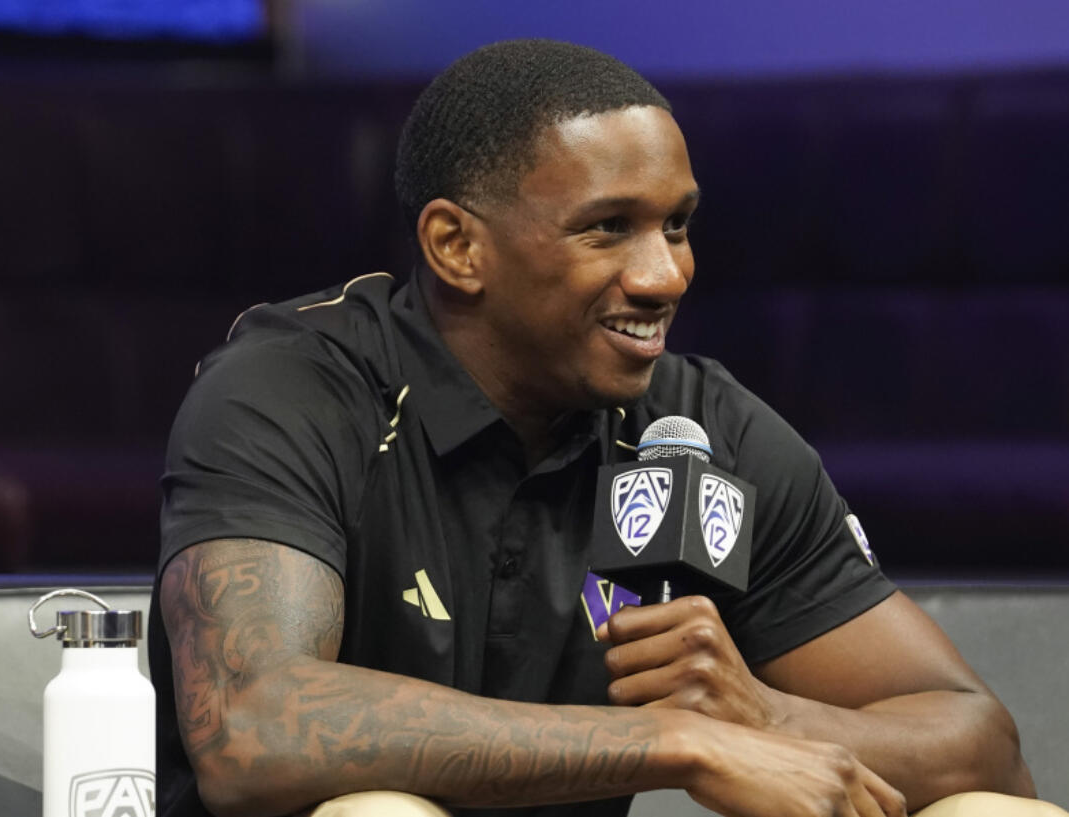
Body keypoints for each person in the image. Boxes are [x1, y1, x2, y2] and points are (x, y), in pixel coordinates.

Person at [150, 39, 1052, 817]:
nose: (665, 275)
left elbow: (979, 740)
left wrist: (766, 717)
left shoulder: (702, 426)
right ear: (457, 247)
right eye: (609, 229)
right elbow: (253, 725)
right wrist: (670, 741)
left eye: (678, 225)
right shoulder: (294, 389)